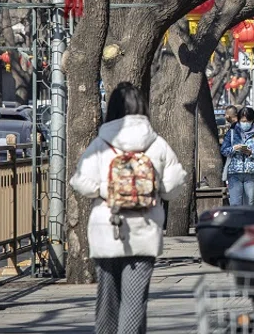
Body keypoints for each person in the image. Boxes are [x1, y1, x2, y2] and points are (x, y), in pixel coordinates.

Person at [70, 82, 186, 334]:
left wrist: (106, 190)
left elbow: (79, 181)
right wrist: (154, 188)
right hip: (144, 229)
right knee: (135, 302)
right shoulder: (157, 144)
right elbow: (175, 185)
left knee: (107, 301)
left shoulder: (101, 143)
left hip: (107, 228)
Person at [220, 107, 254, 206]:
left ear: (253, 120)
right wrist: (234, 148)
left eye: (248, 121)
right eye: (243, 121)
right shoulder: (231, 133)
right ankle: (236, 221)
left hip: (251, 174)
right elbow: (223, 150)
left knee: (249, 203)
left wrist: (251, 153)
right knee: (235, 203)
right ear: (239, 120)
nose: (245, 123)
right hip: (234, 173)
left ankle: (248, 221)